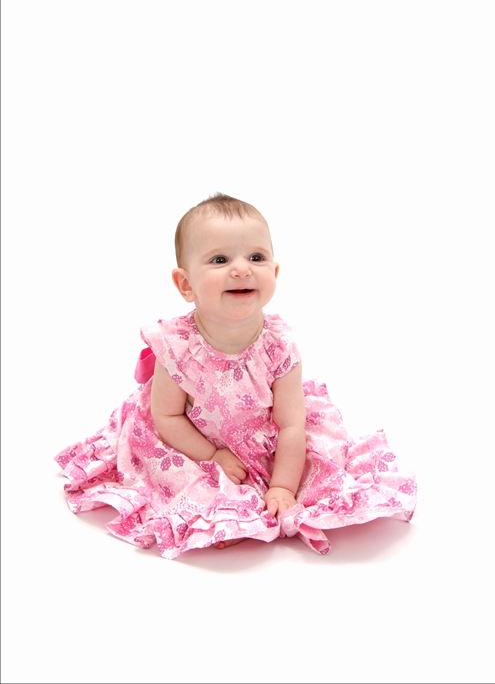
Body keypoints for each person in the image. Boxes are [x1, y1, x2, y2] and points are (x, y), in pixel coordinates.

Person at [55, 193, 417, 559]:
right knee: (178, 477)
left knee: (316, 465)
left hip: (263, 437)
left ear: (274, 273)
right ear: (185, 284)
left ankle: (261, 499)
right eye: (220, 259)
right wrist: (212, 454)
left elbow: (291, 424)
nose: (242, 269)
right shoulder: (177, 346)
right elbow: (167, 417)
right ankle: (217, 516)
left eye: (256, 258)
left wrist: (283, 488)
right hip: (188, 439)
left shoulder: (279, 345)